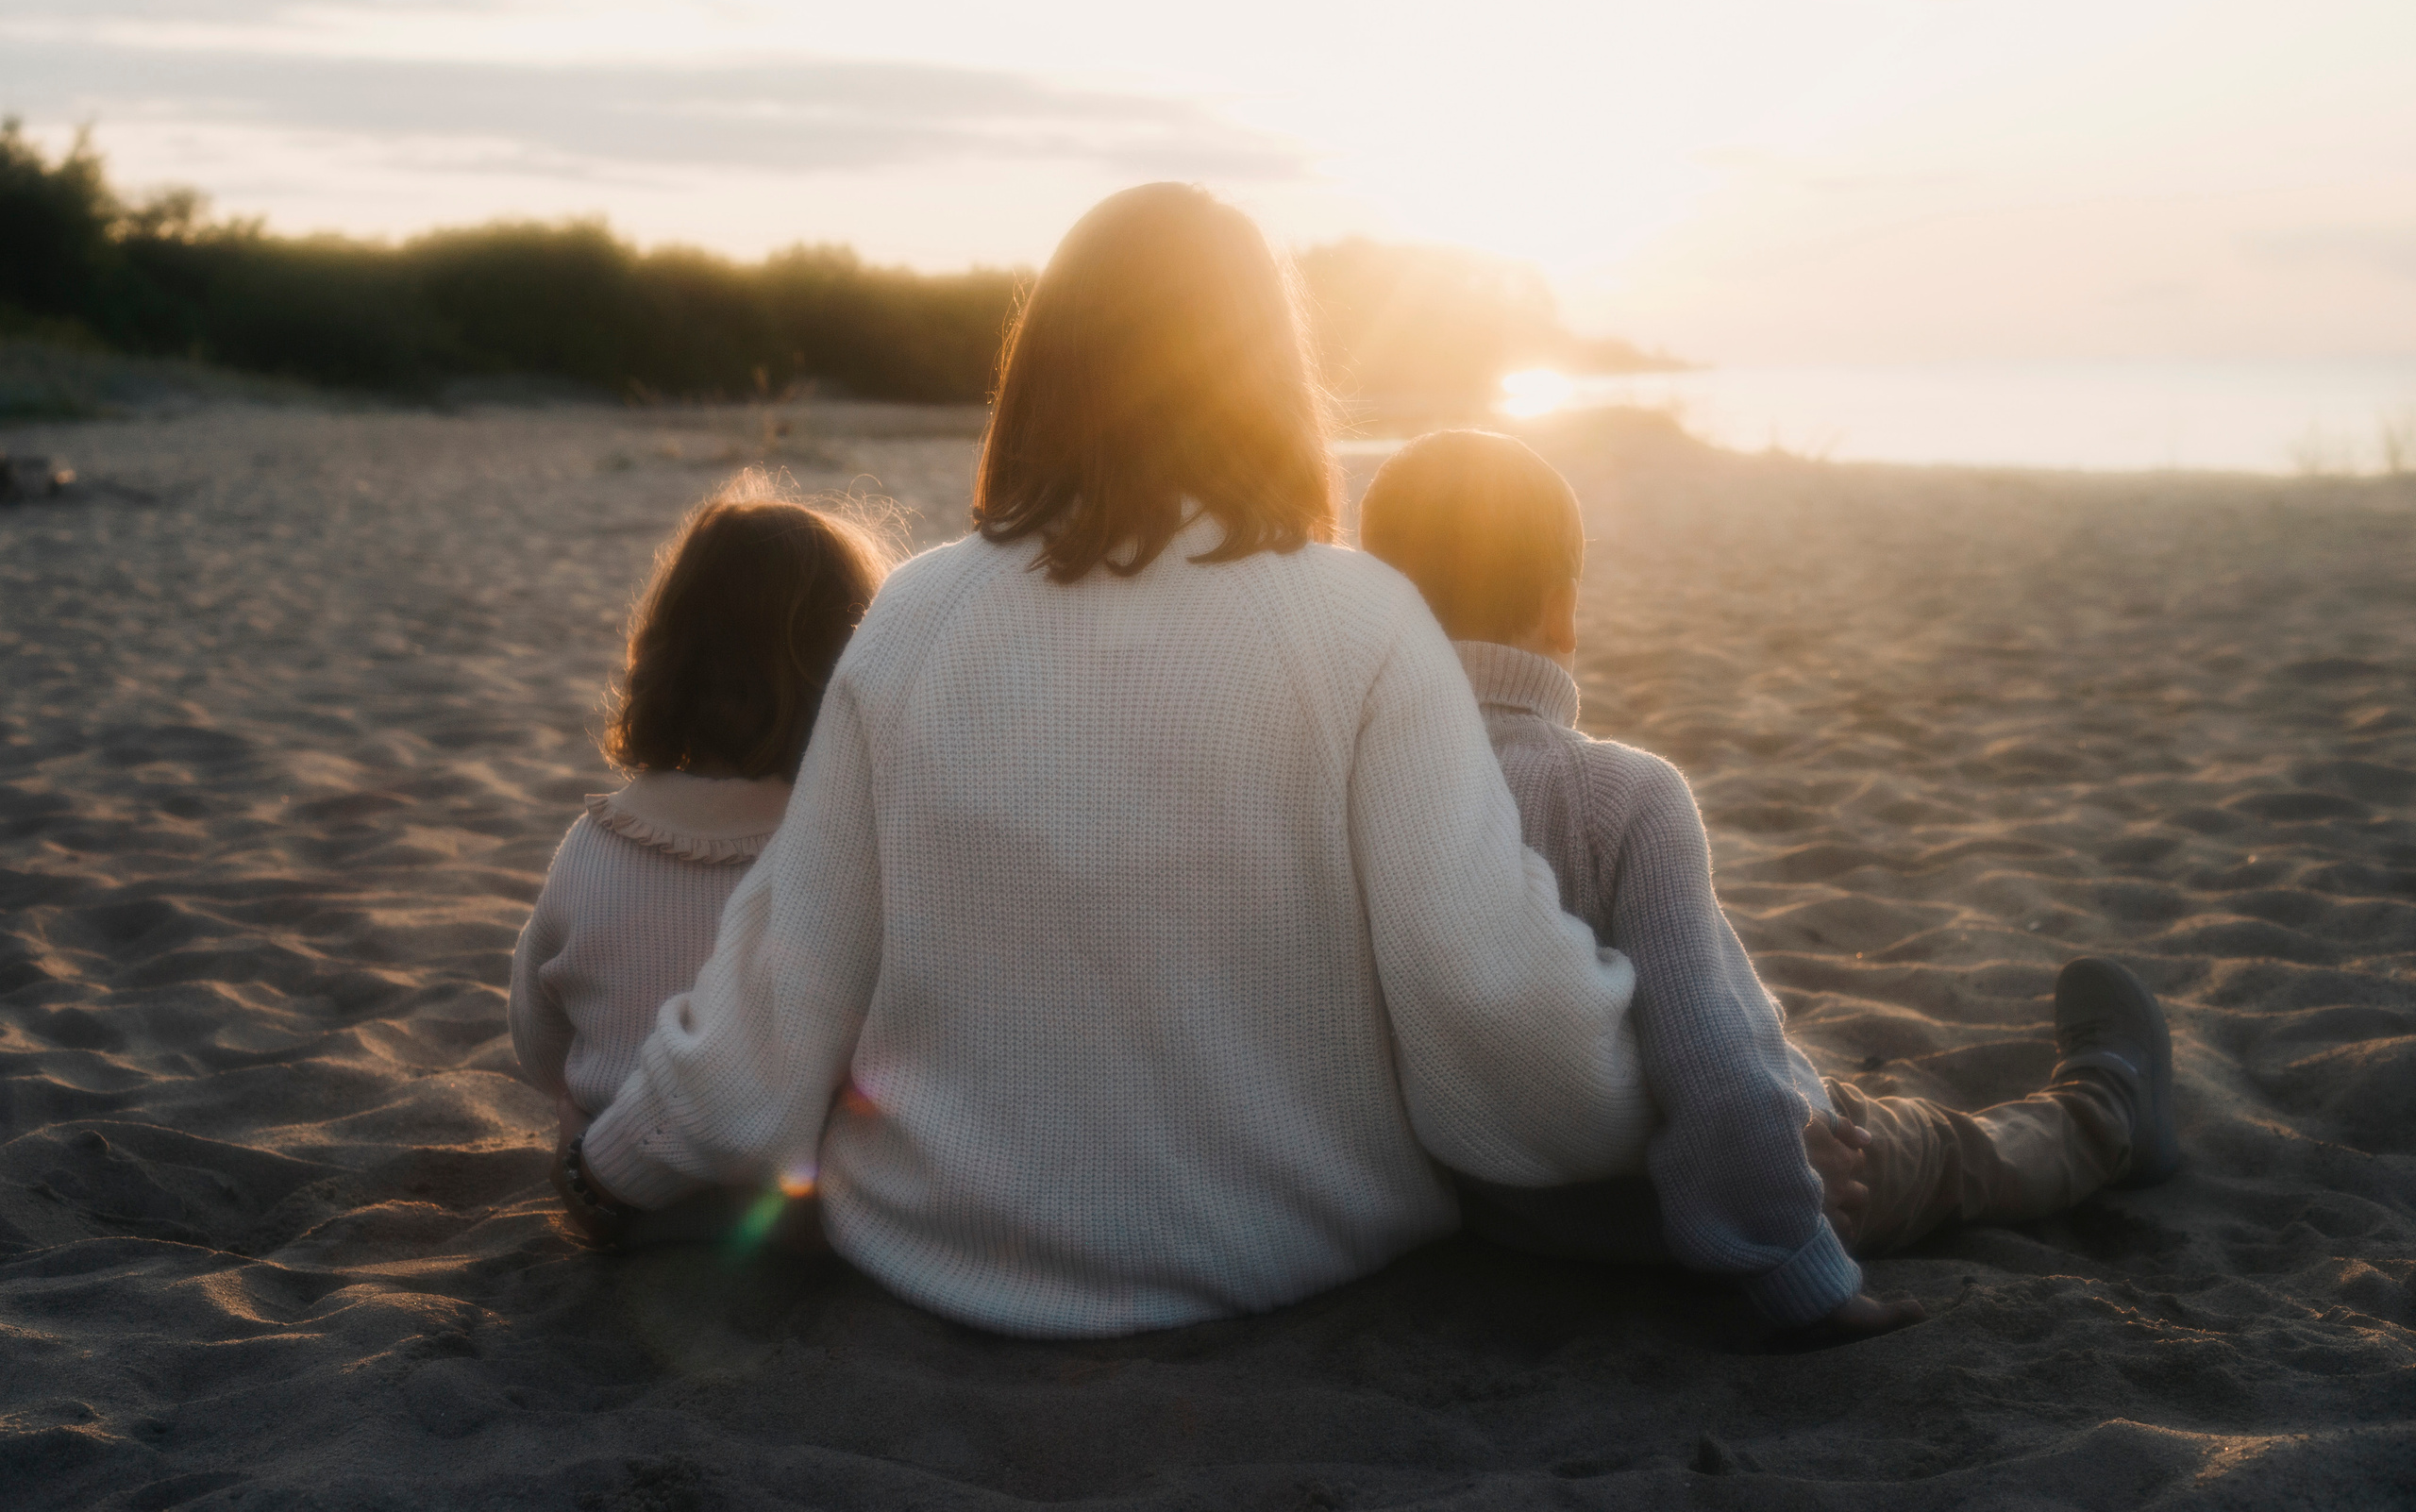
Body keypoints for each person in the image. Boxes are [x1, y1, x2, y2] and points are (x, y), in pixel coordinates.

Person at [555, 183, 1655, 1336]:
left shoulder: (913, 616)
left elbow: (780, 1001)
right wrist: (1669, 1105)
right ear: (1269, 373)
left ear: (1043, 369)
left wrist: (604, 1173)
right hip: (1301, 1253)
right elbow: (1482, 996)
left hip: (934, 1249)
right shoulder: (1368, 622)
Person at [1357, 428, 2181, 1336]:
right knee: (1946, 1153)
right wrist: (1799, 1270)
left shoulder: (1363, 788)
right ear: (1563, 613)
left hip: (1518, 1219)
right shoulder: (1620, 794)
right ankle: (2108, 1113)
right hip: (1734, 1202)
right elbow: (1708, 1046)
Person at [511, 473, 888, 1246]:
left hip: (618, 1196)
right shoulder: (847, 853)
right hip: (799, 1211)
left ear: (666, 651)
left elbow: (536, 1038)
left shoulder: (595, 844)